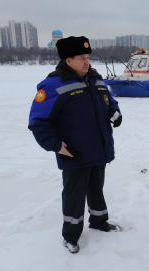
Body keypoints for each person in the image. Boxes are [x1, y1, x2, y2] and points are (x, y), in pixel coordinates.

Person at [28, 36, 122, 254]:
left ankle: (99, 221)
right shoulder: (53, 85)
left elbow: (109, 102)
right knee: (74, 195)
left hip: (99, 150)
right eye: (81, 58)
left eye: (88, 57)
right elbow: (38, 122)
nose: (86, 62)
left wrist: (115, 113)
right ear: (68, 60)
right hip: (74, 154)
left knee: (96, 189)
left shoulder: (96, 80)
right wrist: (55, 145)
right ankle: (70, 235)